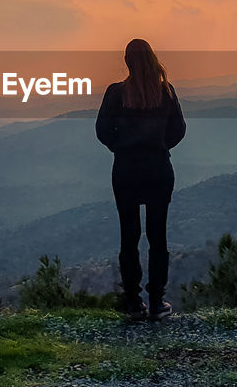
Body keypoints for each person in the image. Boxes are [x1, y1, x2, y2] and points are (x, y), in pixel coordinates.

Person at [95, 38, 186, 321]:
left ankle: (133, 302)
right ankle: (157, 301)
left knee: (129, 236)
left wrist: (121, 147)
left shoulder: (116, 93)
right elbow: (179, 130)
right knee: (158, 237)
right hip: (158, 170)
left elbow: (102, 130)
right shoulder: (165, 92)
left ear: (127, 61)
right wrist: (160, 146)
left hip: (126, 171)